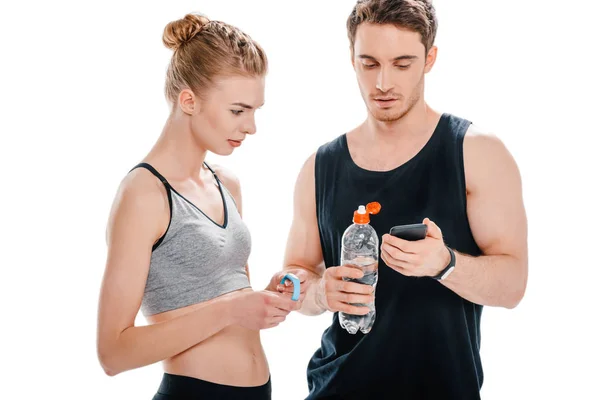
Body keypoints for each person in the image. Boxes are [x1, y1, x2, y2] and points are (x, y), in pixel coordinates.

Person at [272, 0, 528, 398]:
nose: (383, 83)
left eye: (402, 63)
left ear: (430, 59)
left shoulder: (477, 152)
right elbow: (292, 278)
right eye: (369, 64)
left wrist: (446, 264)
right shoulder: (319, 166)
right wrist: (320, 292)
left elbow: (513, 286)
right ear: (352, 59)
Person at [96, 13, 299, 400]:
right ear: (188, 100)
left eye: (256, 110)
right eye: (238, 111)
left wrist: (265, 298)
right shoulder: (144, 195)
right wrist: (230, 310)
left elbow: (224, 290)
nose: (252, 126)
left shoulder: (227, 183)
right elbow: (112, 353)